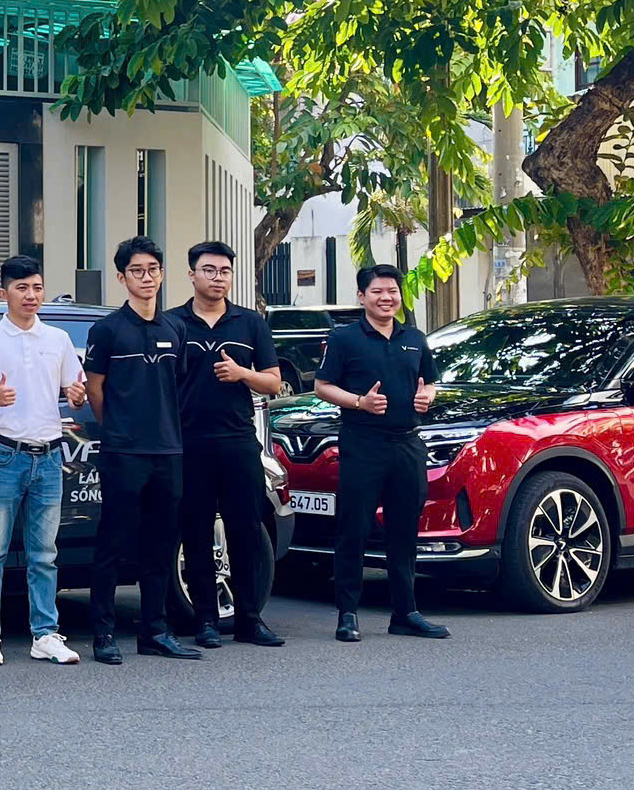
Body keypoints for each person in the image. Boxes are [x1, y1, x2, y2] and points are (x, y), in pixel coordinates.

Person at [0, 254, 89, 667]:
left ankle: (45, 634)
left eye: (36, 288)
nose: (31, 295)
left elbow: (75, 390)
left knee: (44, 553)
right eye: (22, 288)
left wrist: (77, 395)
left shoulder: (58, 339)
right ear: (5, 293)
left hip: (49, 455)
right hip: (3, 453)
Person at [82, 236, 201, 666]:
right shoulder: (108, 330)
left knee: (161, 543)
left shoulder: (175, 329)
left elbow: (176, 387)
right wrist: (118, 428)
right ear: (122, 277)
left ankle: (155, 631)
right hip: (123, 452)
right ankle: (103, 633)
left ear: (162, 274)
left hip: (168, 451)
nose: (146, 277)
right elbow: (95, 389)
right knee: (113, 544)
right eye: (136, 270)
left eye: (152, 269)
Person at [315, 262, 450, 642]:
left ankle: (405, 613)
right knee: (354, 530)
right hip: (363, 443)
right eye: (377, 291)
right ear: (362, 297)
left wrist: (427, 397)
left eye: (392, 291)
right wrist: (360, 402)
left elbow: (431, 382)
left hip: (407, 444)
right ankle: (347, 614)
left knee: (404, 532)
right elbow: (322, 386)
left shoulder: (414, 338)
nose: (386, 298)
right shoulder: (344, 338)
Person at [172, 239, 287, 649]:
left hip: (238, 442)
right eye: (209, 270)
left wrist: (242, 374)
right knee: (196, 531)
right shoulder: (173, 324)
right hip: (189, 444)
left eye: (224, 271)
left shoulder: (249, 323)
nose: (217, 278)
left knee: (245, 531)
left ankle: (250, 619)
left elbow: (273, 382)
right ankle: (205, 620)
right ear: (192, 274)